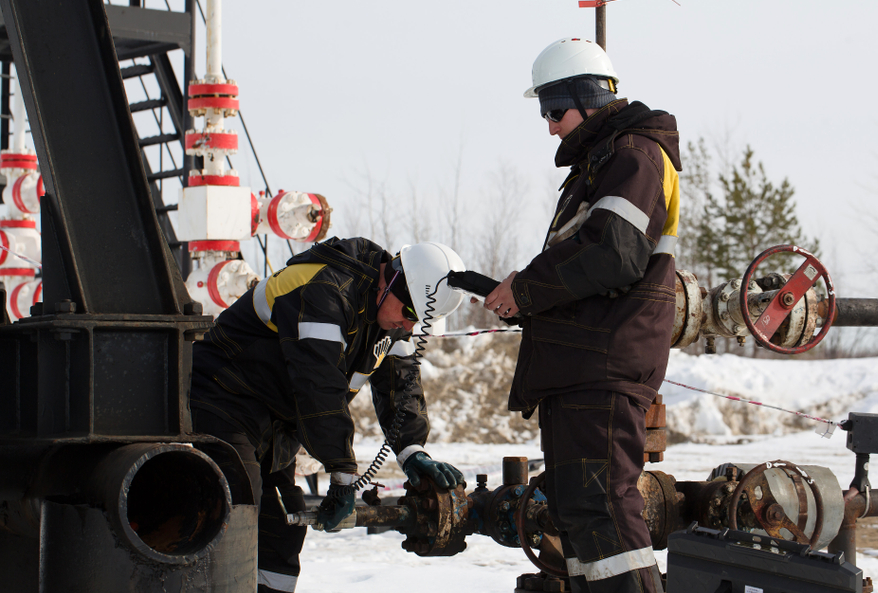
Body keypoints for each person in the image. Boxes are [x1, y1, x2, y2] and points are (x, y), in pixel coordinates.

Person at [483, 38, 681, 593]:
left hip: (602, 365)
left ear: (588, 96)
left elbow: (614, 250)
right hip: (582, 367)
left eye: (554, 110)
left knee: (604, 512)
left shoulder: (634, 154)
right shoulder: (606, 162)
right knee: (581, 517)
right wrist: (525, 295)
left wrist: (526, 290)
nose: (549, 127)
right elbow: (590, 263)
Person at [189, 236, 468, 593]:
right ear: (392, 281)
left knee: (282, 531)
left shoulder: (391, 317)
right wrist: (342, 471)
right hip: (224, 398)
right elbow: (317, 384)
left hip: (275, 426)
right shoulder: (326, 289)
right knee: (236, 507)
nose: (409, 326)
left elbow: (401, 387)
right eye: (410, 314)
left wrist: (413, 452)